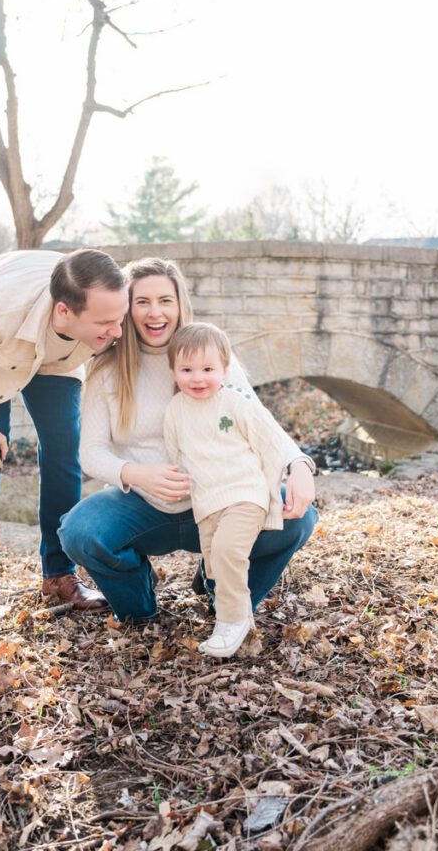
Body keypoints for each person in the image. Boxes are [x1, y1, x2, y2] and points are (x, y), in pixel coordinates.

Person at [58, 257, 317, 625]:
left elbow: (259, 423)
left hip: (222, 501)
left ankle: (223, 593)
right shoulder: (107, 369)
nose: (155, 312)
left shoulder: (208, 358)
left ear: (180, 304)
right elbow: (91, 453)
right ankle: (139, 603)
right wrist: (136, 474)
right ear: (126, 308)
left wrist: (298, 464)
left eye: (165, 300)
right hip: (145, 507)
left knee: (298, 517)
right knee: (80, 531)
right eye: (142, 301)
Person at [0, 248, 129, 642]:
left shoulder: (111, 312)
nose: (118, 331)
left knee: (67, 449)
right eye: (106, 323)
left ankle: (59, 574)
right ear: (64, 311)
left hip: (60, 355)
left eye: (119, 319)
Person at [164, 322, 291, 657]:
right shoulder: (175, 410)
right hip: (206, 501)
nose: (198, 378)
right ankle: (243, 633)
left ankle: (231, 620)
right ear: (174, 371)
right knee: (213, 566)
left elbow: (271, 442)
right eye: (187, 369)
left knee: (227, 552)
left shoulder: (236, 402)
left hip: (244, 494)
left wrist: (273, 488)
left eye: (208, 369)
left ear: (224, 369)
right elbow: (176, 453)